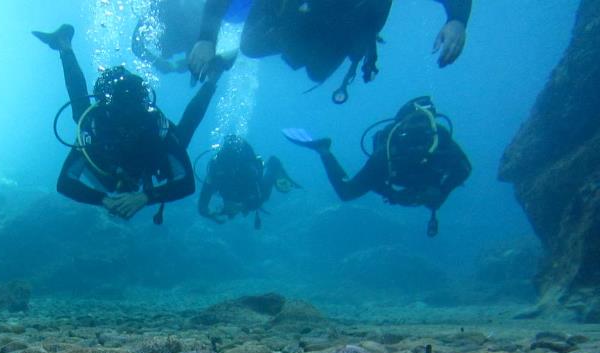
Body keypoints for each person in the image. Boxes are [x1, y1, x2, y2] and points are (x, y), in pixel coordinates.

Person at [34, 23, 233, 222]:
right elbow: (65, 182)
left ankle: (64, 46)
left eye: (131, 123)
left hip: (136, 157)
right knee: (82, 114)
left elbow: (187, 183)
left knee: (181, 137)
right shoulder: (97, 126)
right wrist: (105, 199)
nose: (126, 131)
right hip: (115, 157)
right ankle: (64, 46)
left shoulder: (154, 126)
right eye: (121, 123)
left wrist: (144, 197)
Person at [189, 0, 472, 103]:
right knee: (250, 47)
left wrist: (457, 20)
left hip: (338, 34)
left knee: (316, 73)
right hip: (289, 21)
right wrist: (205, 40)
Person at [284, 96, 471, 236]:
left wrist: (441, 191)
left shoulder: (440, 140)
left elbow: (464, 168)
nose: (418, 130)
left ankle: (324, 151)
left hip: (418, 177)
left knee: (432, 201)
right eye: (414, 122)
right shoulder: (389, 150)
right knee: (347, 192)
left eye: (424, 122)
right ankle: (324, 150)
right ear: (401, 126)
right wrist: (392, 194)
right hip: (396, 173)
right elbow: (368, 181)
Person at [197, 135, 298, 228]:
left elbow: (257, 194)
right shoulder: (216, 173)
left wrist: (243, 206)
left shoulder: (243, 173)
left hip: (247, 177)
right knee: (257, 199)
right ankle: (272, 167)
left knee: (262, 197)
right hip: (239, 182)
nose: (230, 214)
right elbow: (203, 203)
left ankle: (274, 166)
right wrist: (209, 214)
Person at [132, 0, 251, 75]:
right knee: (197, 65)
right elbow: (136, 45)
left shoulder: (197, 8)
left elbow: (208, 39)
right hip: (183, 41)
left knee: (198, 67)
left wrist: (186, 64)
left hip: (192, 39)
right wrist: (157, 62)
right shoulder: (155, 8)